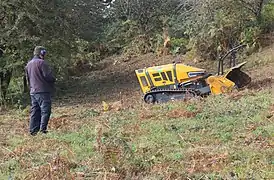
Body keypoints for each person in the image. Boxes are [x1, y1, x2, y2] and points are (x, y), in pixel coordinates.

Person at [25, 46, 56, 136]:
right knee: (45, 110)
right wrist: (54, 79)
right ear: (41, 53)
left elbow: (28, 79)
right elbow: (48, 76)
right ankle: (43, 130)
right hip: (43, 91)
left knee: (35, 111)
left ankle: (33, 131)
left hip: (33, 91)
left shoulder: (28, 64)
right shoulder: (42, 63)